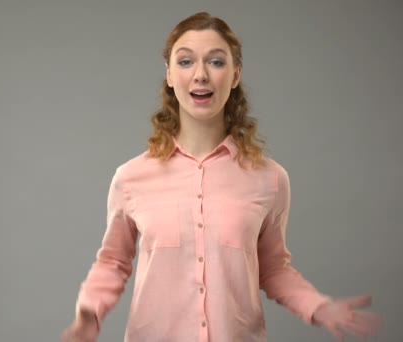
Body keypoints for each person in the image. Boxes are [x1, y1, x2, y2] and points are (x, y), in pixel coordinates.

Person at [61, 11, 382, 342]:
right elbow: (113, 262)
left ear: (236, 74)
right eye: (185, 62)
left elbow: (273, 269)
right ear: (169, 74)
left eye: (216, 62)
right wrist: (90, 312)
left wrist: (318, 307)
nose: (200, 75)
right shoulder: (131, 178)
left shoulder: (270, 179)